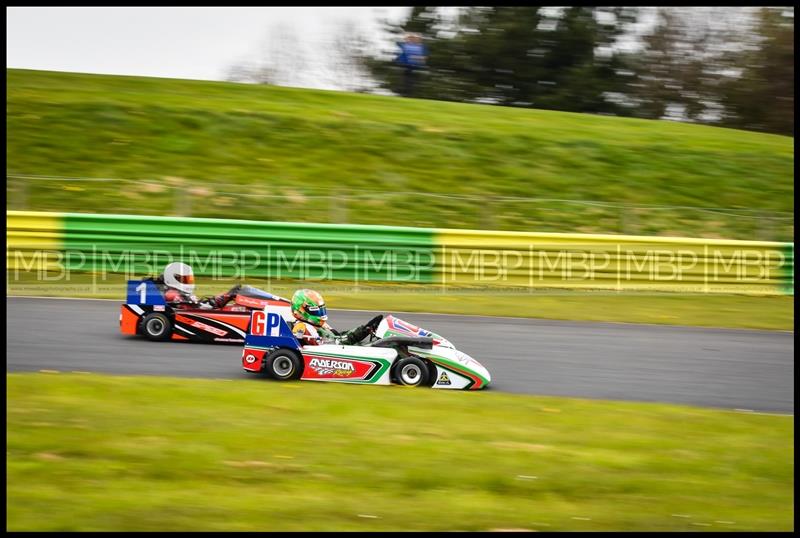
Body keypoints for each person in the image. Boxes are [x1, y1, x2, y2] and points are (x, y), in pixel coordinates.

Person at [290, 288, 383, 346]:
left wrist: (364, 329)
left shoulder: (318, 324)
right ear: (300, 311)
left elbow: (338, 336)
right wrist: (362, 332)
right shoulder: (303, 327)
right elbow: (334, 344)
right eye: (316, 310)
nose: (320, 313)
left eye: (321, 309)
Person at [151, 262, 241, 310]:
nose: (188, 282)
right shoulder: (172, 294)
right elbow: (195, 309)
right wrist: (220, 299)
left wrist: (221, 298)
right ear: (174, 278)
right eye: (185, 279)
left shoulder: (178, 292)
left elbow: (196, 304)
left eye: (189, 279)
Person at [395, 32, 427, 97]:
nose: (412, 39)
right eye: (410, 38)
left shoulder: (420, 47)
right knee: (406, 78)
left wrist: (418, 59)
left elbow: (424, 57)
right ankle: (404, 91)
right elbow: (398, 43)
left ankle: (406, 92)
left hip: (414, 65)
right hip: (405, 64)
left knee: (409, 79)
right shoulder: (405, 45)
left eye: (413, 38)